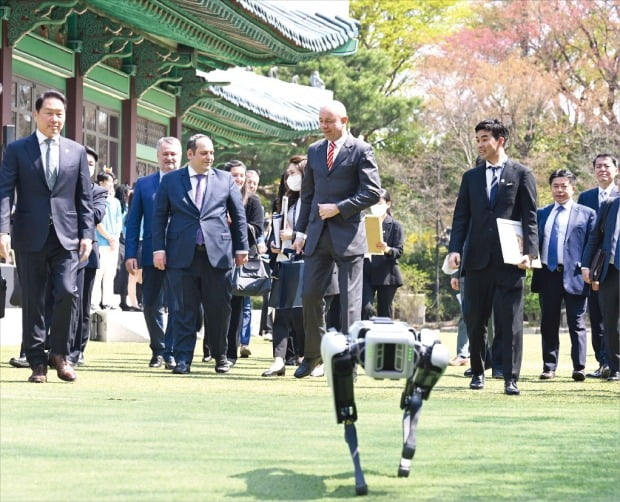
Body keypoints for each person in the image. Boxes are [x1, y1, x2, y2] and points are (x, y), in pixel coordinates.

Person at [0, 89, 94, 383]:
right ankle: (37, 362)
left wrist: (87, 234)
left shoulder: (76, 151)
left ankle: (60, 354)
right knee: (34, 300)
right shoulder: (17, 150)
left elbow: (85, 198)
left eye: (60, 114)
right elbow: (4, 192)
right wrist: (3, 230)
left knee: (68, 291)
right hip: (29, 234)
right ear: (36, 115)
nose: (55, 119)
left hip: (67, 236)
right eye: (50, 113)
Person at [447, 118, 538, 396]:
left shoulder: (522, 173)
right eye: (477, 139)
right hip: (475, 261)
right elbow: (461, 216)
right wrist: (454, 249)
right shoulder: (471, 177)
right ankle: (477, 371)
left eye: (485, 138)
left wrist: (530, 253)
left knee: (509, 323)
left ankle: (511, 378)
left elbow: (530, 218)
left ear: (500, 141)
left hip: (510, 262)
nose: (480, 144)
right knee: (475, 319)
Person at [292, 100, 381, 378]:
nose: (324, 126)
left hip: (349, 235)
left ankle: (348, 361)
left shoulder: (362, 150)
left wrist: (340, 207)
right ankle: (313, 356)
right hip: (317, 235)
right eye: (321, 121)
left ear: (345, 120)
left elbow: (372, 192)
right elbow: (307, 195)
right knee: (309, 296)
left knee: (350, 302)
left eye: (329, 121)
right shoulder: (314, 151)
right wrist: (300, 231)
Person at [152, 134, 248, 374]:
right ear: (190, 154)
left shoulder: (225, 180)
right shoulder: (172, 180)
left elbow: (238, 216)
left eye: (212, 153)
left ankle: (220, 356)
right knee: (183, 309)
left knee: (219, 308)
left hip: (218, 255)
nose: (210, 157)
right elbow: (159, 216)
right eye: (204, 153)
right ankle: (183, 359)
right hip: (182, 254)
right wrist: (158, 248)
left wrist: (241, 247)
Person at [531, 169, 596, 381]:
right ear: (551, 188)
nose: (560, 190)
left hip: (575, 274)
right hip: (547, 274)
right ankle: (549, 367)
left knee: (576, 323)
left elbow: (591, 246)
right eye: (556, 186)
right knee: (548, 323)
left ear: (573, 188)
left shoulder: (586, 214)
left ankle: (579, 367)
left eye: (564, 186)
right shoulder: (542, 213)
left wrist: (588, 269)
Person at [125, 136, 182, 369]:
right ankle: (157, 349)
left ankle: (170, 350)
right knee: (150, 303)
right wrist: (130, 253)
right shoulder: (144, 184)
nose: (169, 158)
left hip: (181, 252)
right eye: (165, 154)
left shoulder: (188, 182)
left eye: (173, 154)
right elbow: (133, 221)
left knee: (178, 304)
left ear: (181, 156)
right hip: (150, 252)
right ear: (157, 157)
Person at [262, 155, 307, 377]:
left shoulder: (311, 201)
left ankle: (305, 356)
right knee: (280, 312)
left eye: (294, 174)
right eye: (288, 174)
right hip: (282, 261)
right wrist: (274, 243)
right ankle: (278, 360)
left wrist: (295, 235)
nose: (289, 178)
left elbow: (314, 234)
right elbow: (277, 230)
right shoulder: (285, 201)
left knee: (299, 314)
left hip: (303, 263)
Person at [577, 153, 619, 379]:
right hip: (599, 267)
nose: (602, 170)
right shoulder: (590, 198)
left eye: (607, 166)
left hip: (613, 267)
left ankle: (613, 363)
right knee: (600, 317)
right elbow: (589, 236)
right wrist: (586, 265)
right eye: (598, 166)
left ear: (616, 170)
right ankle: (606, 363)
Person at [69, 146, 108, 366]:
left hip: (87, 254)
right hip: (60, 251)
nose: (86, 167)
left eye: (91, 164)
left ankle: (78, 349)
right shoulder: (63, 189)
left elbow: (96, 215)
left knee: (82, 304)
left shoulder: (98, 191)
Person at [222, 160, 264, 364]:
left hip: (241, 258)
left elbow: (258, 229)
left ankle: (231, 352)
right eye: (234, 175)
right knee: (215, 304)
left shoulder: (253, 201)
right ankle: (213, 348)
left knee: (237, 306)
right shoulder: (218, 197)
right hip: (218, 255)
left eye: (241, 175)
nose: (239, 179)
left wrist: (237, 222)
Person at [361, 189, 403, 320]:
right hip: (367, 270)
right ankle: (367, 337)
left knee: (385, 312)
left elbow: (399, 251)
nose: (375, 207)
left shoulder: (395, 225)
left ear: (388, 204)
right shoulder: (364, 222)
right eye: (373, 204)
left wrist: (387, 249)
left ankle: (385, 340)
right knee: (365, 308)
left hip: (387, 274)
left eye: (379, 203)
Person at [91, 173, 123, 310]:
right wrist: (109, 237)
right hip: (101, 242)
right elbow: (97, 222)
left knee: (111, 274)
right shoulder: (97, 199)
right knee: (99, 273)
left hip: (113, 244)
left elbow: (118, 221)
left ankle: (107, 301)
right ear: (101, 183)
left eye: (112, 182)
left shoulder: (115, 202)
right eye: (109, 182)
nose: (112, 184)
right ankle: (94, 301)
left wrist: (115, 237)